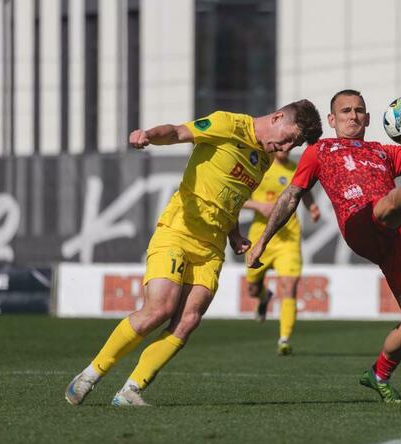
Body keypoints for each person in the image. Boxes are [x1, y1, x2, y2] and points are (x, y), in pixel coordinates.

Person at [65, 100, 322, 406]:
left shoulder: (264, 158)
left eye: (294, 145)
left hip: (211, 247)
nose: (287, 147)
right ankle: (90, 375)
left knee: (188, 320)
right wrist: (148, 135)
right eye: (289, 138)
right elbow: (177, 132)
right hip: (178, 230)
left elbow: (232, 197)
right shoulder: (228, 124)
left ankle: (131, 390)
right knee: (159, 309)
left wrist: (234, 235)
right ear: (278, 117)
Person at [247, 89, 401, 403]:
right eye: (345, 111)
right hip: (359, 222)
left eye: (359, 110)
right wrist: (262, 241)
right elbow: (291, 196)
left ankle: (378, 374)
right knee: (386, 207)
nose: (353, 116)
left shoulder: (382, 152)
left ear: (369, 118)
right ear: (332, 119)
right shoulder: (319, 151)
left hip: (396, 236)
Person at [242, 148, 320, 355]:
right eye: (282, 144)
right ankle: (263, 296)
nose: (285, 148)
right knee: (252, 288)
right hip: (260, 236)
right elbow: (239, 196)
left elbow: (304, 190)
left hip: (289, 238)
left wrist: (312, 206)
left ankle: (284, 339)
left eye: (289, 145)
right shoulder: (259, 166)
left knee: (289, 285)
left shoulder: (295, 169)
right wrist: (258, 206)